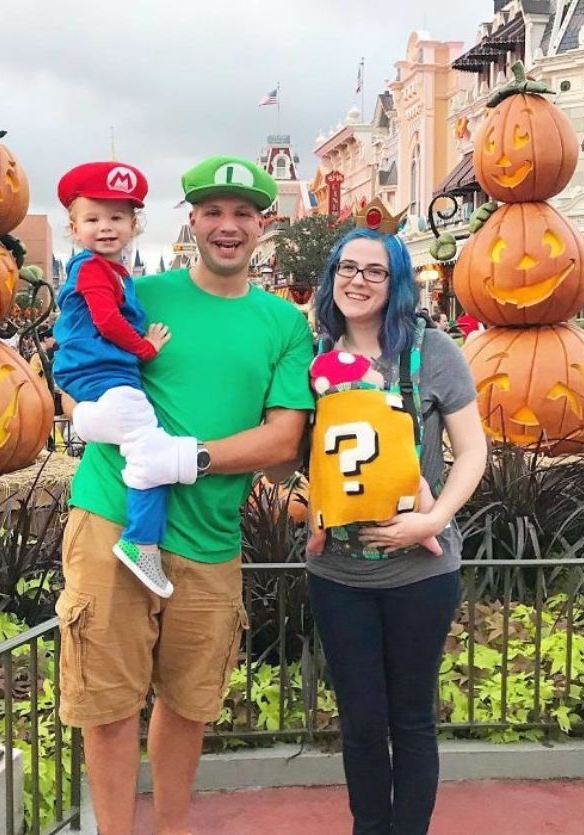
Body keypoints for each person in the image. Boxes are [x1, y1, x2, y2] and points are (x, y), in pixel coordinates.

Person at [57, 154, 314, 834]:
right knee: (107, 705)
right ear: (191, 220)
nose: (227, 227)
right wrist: (83, 415)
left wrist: (186, 457)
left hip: (208, 537)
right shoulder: (145, 292)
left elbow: (284, 438)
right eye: (213, 212)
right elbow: (81, 359)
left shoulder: (284, 323)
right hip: (112, 522)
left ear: (264, 225)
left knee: (189, 705)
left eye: (242, 213)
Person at [305, 199, 488, 835]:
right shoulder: (310, 359)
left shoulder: (432, 352)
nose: (356, 280)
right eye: (345, 268)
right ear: (331, 279)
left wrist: (433, 519)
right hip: (338, 575)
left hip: (420, 574)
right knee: (359, 720)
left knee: (411, 718)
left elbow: (472, 451)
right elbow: (293, 457)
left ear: (397, 282)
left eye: (374, 271)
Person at [52, 161, 176, 597]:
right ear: (74, 227)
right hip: (102, 370)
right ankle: (141, 541)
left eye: (117, 218)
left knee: (131, 434)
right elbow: (106, 320)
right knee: (150, 452)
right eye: (93, 219)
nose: (106, 227)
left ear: (133, 224)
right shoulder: (93, 269)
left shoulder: (114, 272)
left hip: (96, 372)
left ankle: (85, 419)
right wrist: (146, 348)